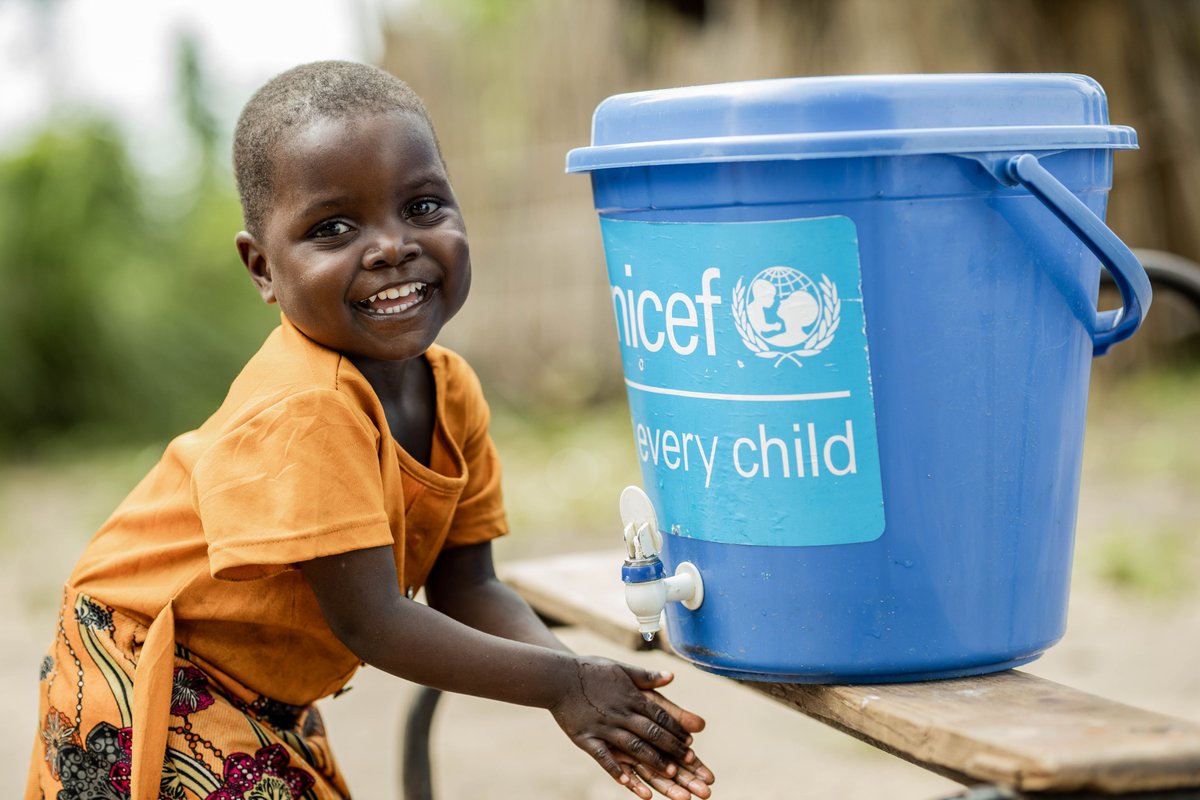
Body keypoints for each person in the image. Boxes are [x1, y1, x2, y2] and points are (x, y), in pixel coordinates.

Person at [25, 61, 714, 800]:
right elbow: (374, 623)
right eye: (333, 228)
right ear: (262, 268)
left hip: (261, 684)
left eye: (422, 206)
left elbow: (469, 586)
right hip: (146, 661)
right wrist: (564, 684)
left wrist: (587, 690)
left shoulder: (451, 389)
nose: (391, 246)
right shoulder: (307, 405)